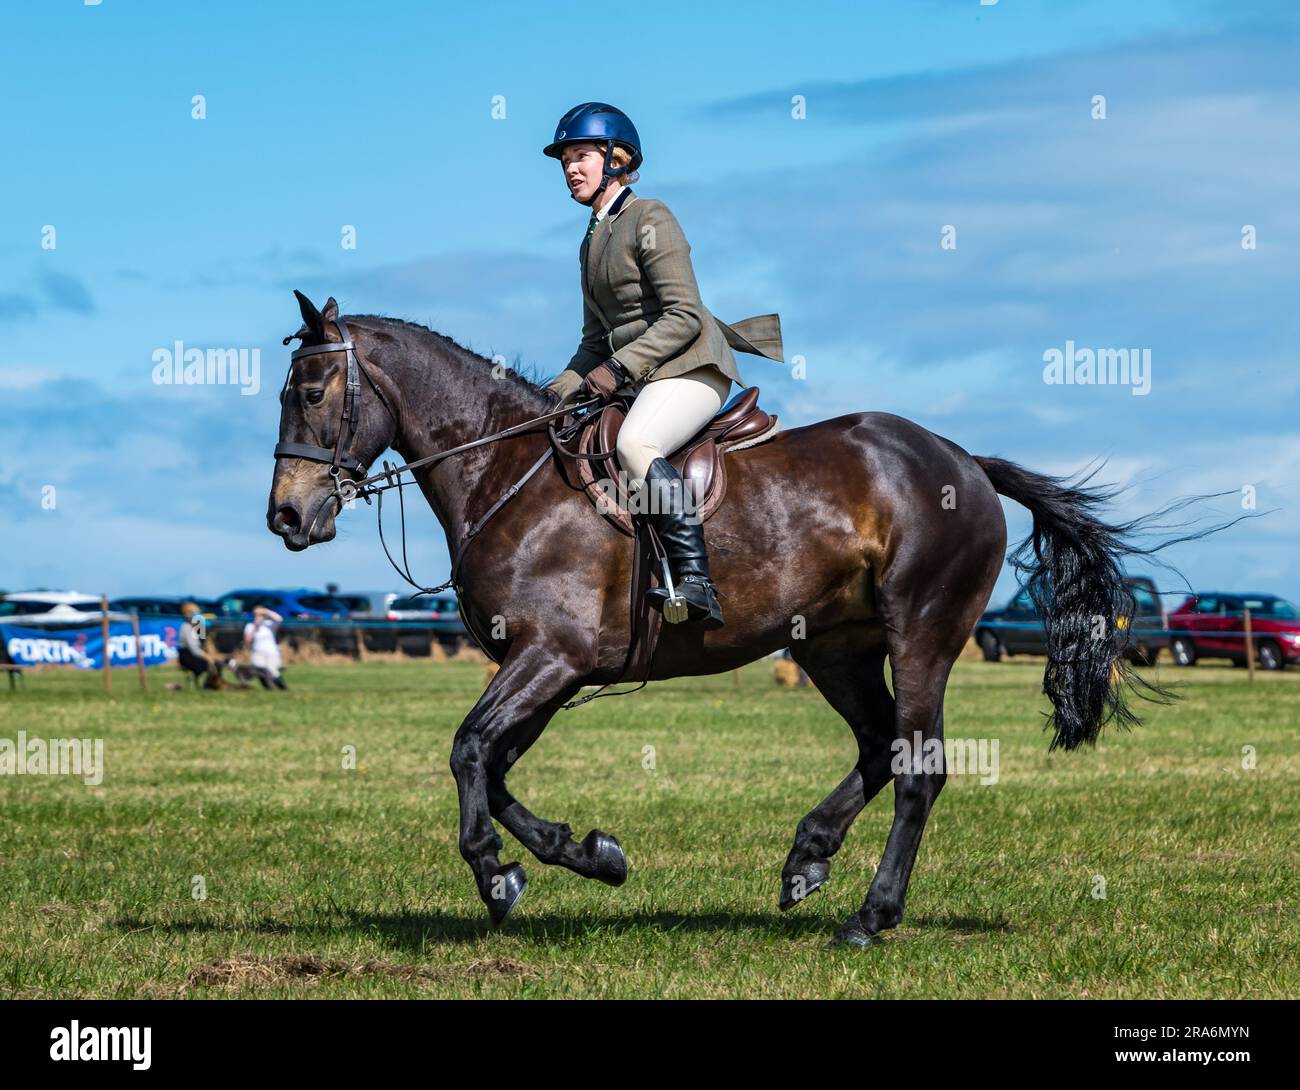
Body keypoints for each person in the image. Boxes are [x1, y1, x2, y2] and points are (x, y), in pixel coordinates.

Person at [542, 102, 784, 630]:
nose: (570, 169)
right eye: (564, 160)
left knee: (635, 445)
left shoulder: (650, 217)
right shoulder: (590, 240)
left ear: (617, 158)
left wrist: (616, 370)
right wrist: (552, 394)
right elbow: (591, 341)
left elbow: (684, 315)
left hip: (691, 368)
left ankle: (696, 582)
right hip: (640, 375)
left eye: (581, 156)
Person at [177, 601, 224, 689]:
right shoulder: (186, 627)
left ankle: (211, 684)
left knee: (218, 663)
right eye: (194, 612)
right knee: (213, 663)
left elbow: (204, 643)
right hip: (188, 656)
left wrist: (212, 653)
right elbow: (194, 649)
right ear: (187, 614)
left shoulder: (198, 625)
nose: (197, 614)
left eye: (198, 612)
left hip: (198, 654)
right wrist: (208, 657)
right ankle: (209, 686)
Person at [242, 605, 287, 689]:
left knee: (272, 670)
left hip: (271, 652)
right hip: (257, 652)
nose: (258, 616)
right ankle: (267, 687)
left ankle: (282, 688)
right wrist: (255, 626)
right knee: (258, 669)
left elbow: (279, 619)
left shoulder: (269, 624)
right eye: (256, 614)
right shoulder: (250, 626)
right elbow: (248, 640)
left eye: (259, 614)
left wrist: (266, 611)